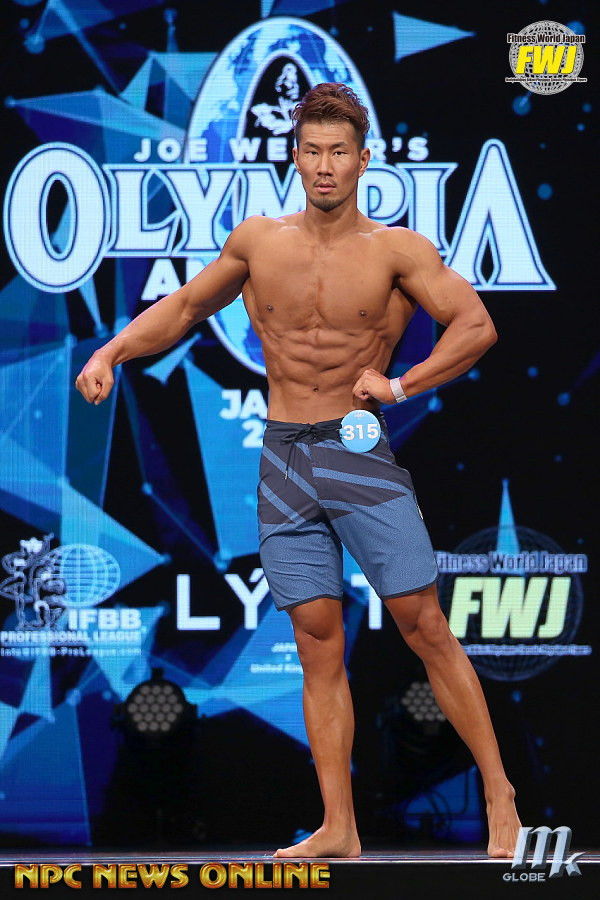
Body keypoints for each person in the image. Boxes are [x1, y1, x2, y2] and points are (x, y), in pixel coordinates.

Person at [76, 82, 522, 859]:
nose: (324, 166)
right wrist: (111, 351)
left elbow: (476, 325)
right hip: (283, 457)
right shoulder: (259, 241)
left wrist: (403, 385)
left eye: (338, 152)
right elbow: (184, 308)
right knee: (316, 641)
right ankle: (338, 825)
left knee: (423, 625)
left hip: (356, 451)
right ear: (294, 155)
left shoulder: (397, 251)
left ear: (362, 160)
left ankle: (499, 794)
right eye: (312, 151)